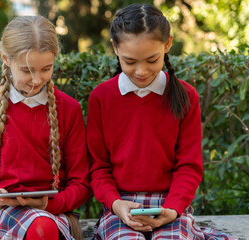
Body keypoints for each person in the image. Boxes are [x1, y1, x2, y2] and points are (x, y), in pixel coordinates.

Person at [87, 4, 236, 240]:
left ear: (167, 44)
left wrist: (172, 209)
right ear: (115, 48)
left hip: (170, 204)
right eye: (130, 61)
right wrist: (116, 205)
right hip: (120, 206)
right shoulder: (101, 98)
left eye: (151, 59)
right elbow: (99, 168)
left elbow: (189, 166)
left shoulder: (186, 96)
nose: (141, 71)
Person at [0, 15, 90, 240]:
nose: (37, 79)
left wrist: (50, 204)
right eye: (27, 70)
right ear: (6, 59)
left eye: (46, 69)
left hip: (53, 214)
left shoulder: (69, 108)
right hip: (1, 214)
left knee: (42, 227)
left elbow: (81, 184)